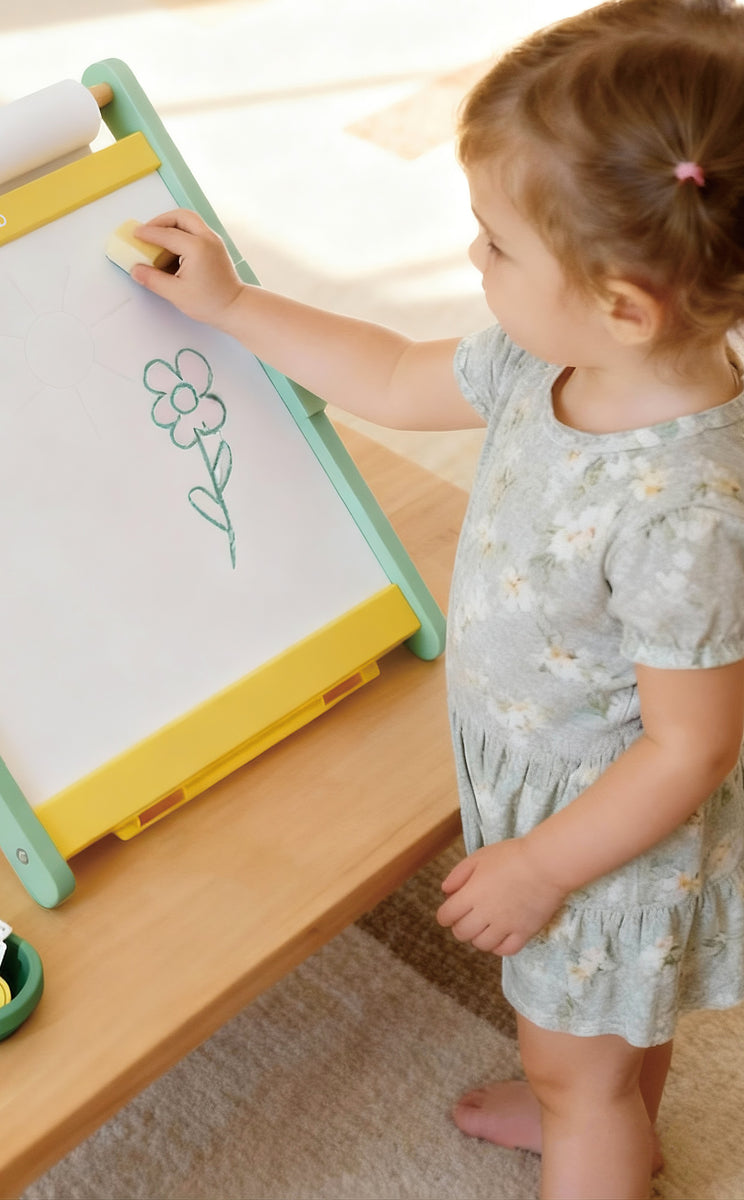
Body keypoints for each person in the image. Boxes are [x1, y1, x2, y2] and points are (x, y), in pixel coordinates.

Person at [127, 2, 744, 1197]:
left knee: (587, 1073)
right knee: (604, 1038)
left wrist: (544, 867)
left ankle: (594, 1124)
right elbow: (398, 376)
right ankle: (595, 1095)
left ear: (625, 303)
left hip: (608, 838)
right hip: (555, 789)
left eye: (499, 247)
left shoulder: (687, 513)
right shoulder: (551, 356)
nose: (475, 261)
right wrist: (233, 307)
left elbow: (694, 746)